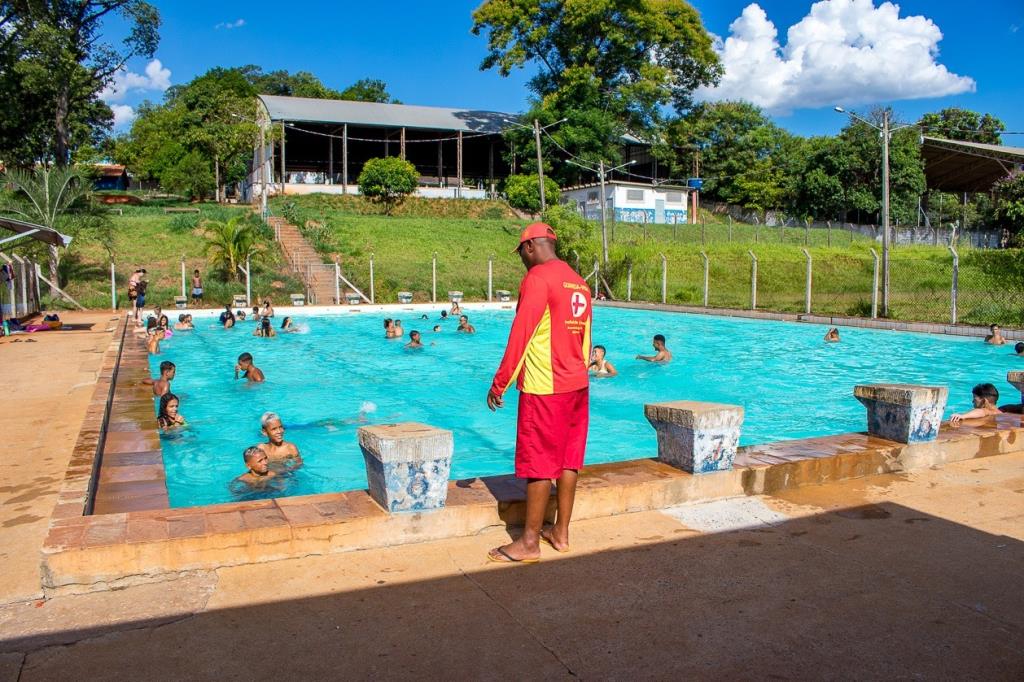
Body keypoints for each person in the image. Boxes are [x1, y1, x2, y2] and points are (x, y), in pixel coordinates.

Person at [486, 222, 592, 563]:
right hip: (577, 384)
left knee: (540, 462)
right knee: (568, 458)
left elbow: (521, 334)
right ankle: (560, 532)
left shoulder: (538, 279)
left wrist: (500, 382)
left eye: (521, 253)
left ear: (530, 246)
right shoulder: (579, 282)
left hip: (545, 388)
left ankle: (529, 542)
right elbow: (585, 340)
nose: (521, 260)